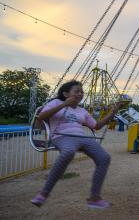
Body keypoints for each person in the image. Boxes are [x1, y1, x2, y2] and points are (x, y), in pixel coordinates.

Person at [30, 80, 122, 209]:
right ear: (66, 93)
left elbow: (96, 126)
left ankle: (94, 198)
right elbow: (41, 116)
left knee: (104, 158)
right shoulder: (56, 103)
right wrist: (64, 105)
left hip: (81, 137)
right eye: (76, 91)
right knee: (68, 152)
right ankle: (43, 193)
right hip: (62, 136)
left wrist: (112, 113)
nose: (80, 94)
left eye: (81, 92)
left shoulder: (82, 111)